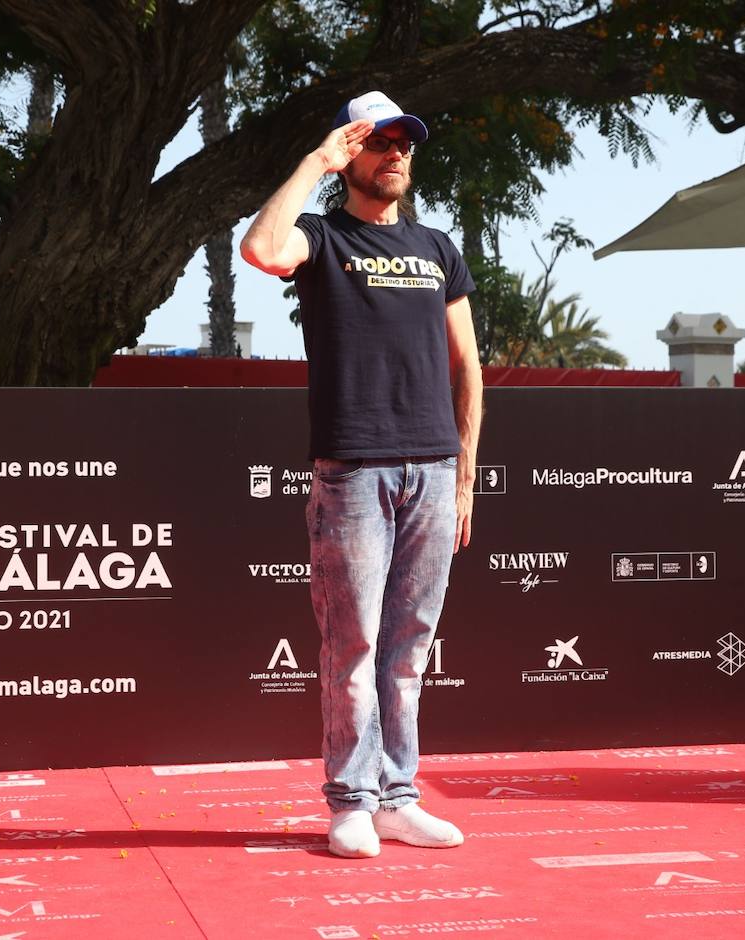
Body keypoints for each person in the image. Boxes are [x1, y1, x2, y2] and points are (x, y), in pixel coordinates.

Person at [240, 91, 483, 859]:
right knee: (353, 646)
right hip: (352, 471)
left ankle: (398, 798)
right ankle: (351, 800)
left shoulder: (438, 248)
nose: (395, 155)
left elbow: (468, 369)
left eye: (404, 143)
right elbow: (260, 250)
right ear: (354, 154)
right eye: (378, 143)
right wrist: (316, 159)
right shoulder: (321, 236)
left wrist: (467, 477)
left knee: (409, 649)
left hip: (434, 473)